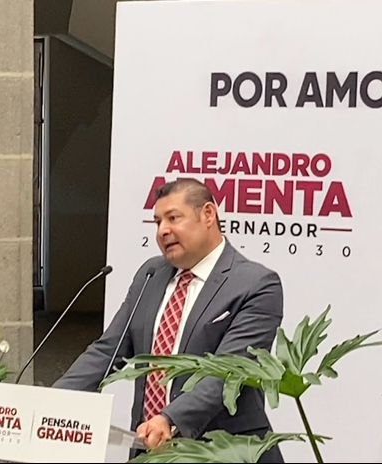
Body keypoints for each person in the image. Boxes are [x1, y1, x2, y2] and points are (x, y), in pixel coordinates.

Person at [52, 179, 285, 463]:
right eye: (157, 222)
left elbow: (227, 372)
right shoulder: (151, 274)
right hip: (150, 450)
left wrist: (168, 419)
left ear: (208, 214)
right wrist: (52, 402)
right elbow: (107, 350)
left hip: (224, 451)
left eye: (173, 218)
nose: (163, 230)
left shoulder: (256, 284)